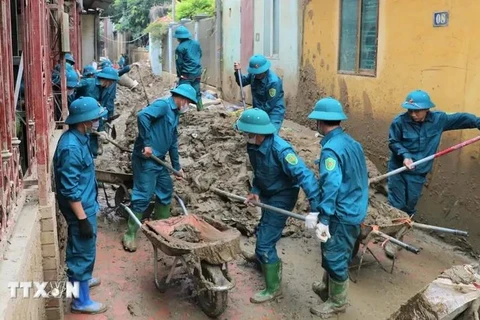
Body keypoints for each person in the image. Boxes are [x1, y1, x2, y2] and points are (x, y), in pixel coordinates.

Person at [235, 108, 321, 304]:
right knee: (264, 226)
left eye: (248, 133)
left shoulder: (281, 150)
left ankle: (273, 288)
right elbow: (259, 171)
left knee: (266, 240)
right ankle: (261, 258)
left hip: (283, 195)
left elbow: (305, 177)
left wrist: (316, 210)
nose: (245, 136)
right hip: (267, 191)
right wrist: (256, 190)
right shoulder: (254, 146)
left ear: (259, 134)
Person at [385, 89, 480, 258]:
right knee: (397, 203)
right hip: (399, 169)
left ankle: (399, 233)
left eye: (417, 111)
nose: (413, 114)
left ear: (427, 109)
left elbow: (463, 118)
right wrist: (405, 156)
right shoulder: (399, 122)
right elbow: (393, 142)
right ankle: (392, 240)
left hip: (418, 173)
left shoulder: (439, 120)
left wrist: (478, 122)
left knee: (410, 206)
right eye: (410, 110)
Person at [306, 97, 369, 318]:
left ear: (320, 123)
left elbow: (331, 185)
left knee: (335, 255)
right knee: (332, 251)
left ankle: (337, 302)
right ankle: (327, 287)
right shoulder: (352, 143)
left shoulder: (330, 151)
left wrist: (323, 217)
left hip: (341, 214)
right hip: (355, 207)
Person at [122, 84, 198, 252]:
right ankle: (130, 233)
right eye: (189, 102)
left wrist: (177, 167)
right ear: (182, 98)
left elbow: (172, 142)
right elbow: (142, 116)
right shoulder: (163, 105)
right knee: (143, 196)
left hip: (159, 160)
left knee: (165, 191)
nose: (188, 106)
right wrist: (147, 143)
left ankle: (160, 230)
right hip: (146, 160)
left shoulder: (175, 114)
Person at [53, 96, 108, 314]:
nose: (97, 122)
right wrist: (82, 219)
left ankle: (82, 283)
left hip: (86, 204)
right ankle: (80, 300)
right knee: (81, 251)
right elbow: (69, 188)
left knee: (85, 249)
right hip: (80, 209)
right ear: (84, 121)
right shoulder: (70, 148)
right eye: (95, 119)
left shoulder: (80, 138)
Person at [234, 55, 285, 134]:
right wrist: (238, 72)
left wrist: (256, 114)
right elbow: (243, 82)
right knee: (254, 134)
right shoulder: (253, 75)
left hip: (273, 112)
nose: (257, 75)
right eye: (255, 73)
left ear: (265, 70)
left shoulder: (273, 82)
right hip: (258, 110)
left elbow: (270, 104)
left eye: (259, 73)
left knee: (270, 135)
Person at [88, 66, 119, 158]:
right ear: (107, 80)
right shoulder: (90, 85)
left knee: (93, 136)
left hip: (96, 116)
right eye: (111, 82)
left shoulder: (103, 88)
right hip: (86, 117)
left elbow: (99, 108)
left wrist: (101, 129)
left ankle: (93, 155)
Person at [174, 25, 203, 111]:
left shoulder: (179, 48)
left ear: (178, 37)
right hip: (197, 73)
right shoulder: (196, 44)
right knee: (197, 93)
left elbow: (179, 64)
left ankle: (180, 112)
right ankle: (200, 110)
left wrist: (179, 75)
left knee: (181, 93)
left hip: (186, 75)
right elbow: (200, 55)